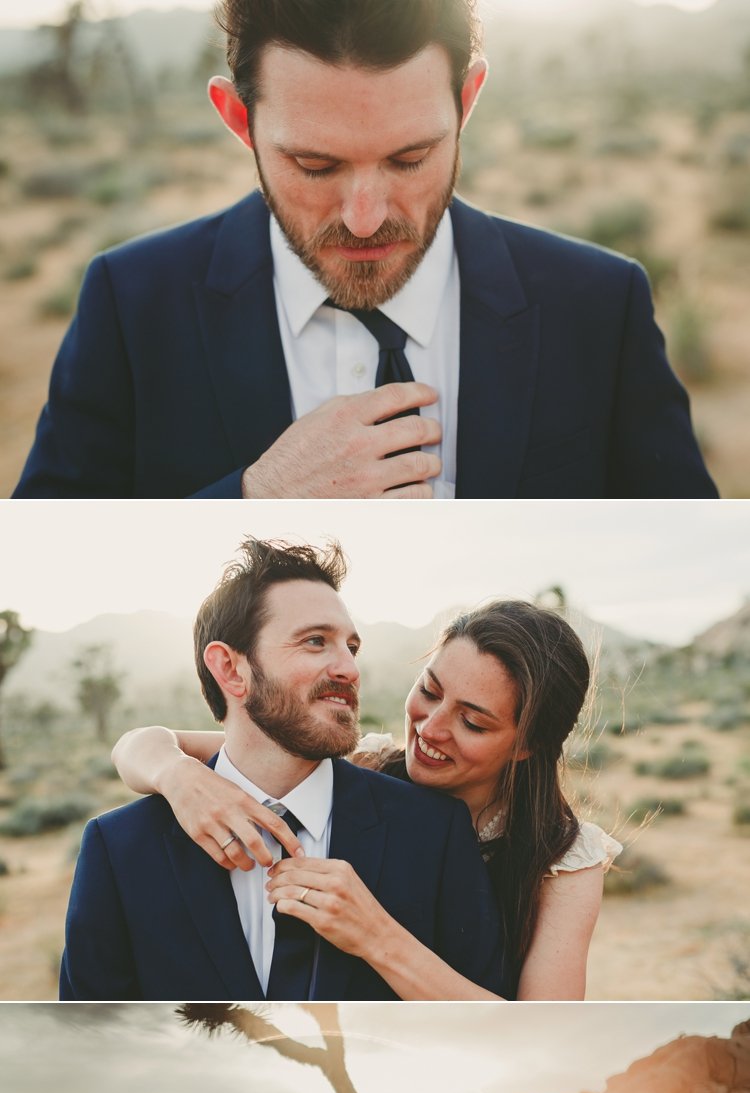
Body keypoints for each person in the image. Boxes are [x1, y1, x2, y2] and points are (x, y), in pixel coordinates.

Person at [14, 0, 716, 501]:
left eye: (410, 158)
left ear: (467, 102)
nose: (363, 218)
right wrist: (257, 499)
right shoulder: (129, 302)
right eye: (315, 166)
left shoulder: (599, 304)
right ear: (238, 120)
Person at [59, 538, 504, 1000]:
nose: (349, 668)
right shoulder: (120, 849)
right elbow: (87, 1042)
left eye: (351, 647)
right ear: (231, 669)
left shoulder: (434, 830)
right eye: (316, 642)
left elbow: (494, 1037)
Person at [113, 594, 619, 1000]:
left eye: (472, 721)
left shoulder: (565, 859)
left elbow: (542, 1036)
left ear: (527, 745)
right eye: (430, 690)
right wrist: (177, 776)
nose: (431, 727)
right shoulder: (363, 764)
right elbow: (144, 743)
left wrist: (375, 935)